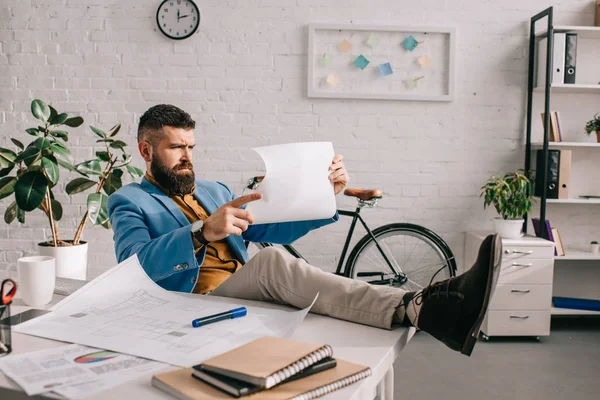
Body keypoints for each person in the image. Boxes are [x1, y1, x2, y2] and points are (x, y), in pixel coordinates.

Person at [107, 104, 502, 357]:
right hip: (191, 300)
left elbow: (274, 228)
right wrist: (199, 233)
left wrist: (324, 196)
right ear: (146, 151)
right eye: (177, 148)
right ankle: (421, 305)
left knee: (276, 258)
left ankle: (424, 308)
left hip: (239, 289)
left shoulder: (214, 191)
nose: (187, 158)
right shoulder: (129, 201)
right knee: (273, 262)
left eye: (191, 147)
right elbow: (131, 266)